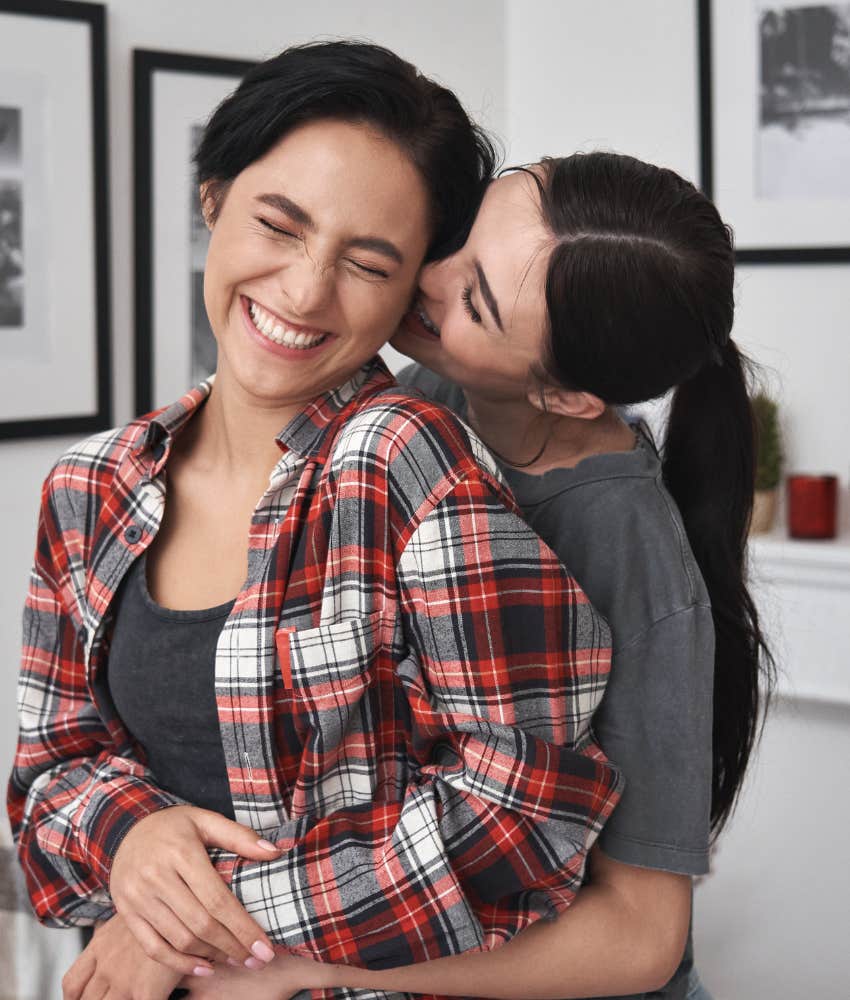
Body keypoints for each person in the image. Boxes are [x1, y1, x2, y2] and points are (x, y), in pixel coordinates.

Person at [7, 44, 623, 1000]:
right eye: (279, 227)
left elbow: (525, 808)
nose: (302, 293)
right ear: (213, 195)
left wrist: (202, 931)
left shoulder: (405, 460)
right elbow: (51, 772)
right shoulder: (89, 487)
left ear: (414, 285)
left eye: (367, 265)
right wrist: (132, 837)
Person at [178, 153, 774, 999]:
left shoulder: (629, 557)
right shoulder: (423, 399)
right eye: (464, 234)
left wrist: (290, 963)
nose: (428, 271)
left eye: (475, 300)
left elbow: (642, 938)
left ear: (568, 396)